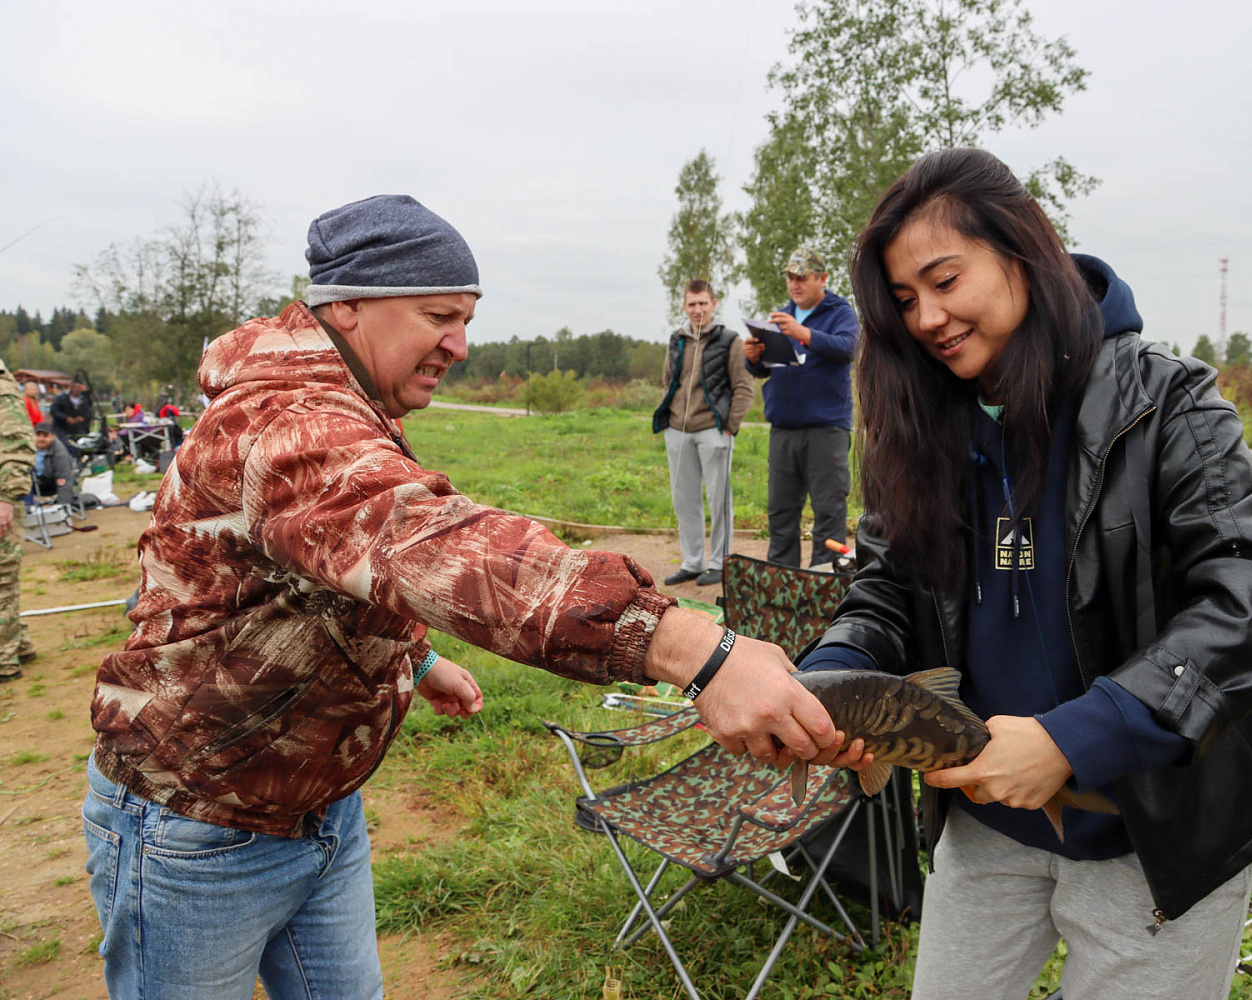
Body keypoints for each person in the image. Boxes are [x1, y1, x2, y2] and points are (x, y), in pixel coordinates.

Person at [82, 195, 849, 999]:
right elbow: (433, 543)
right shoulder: (285, 421)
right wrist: (697, 649)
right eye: (439, 315)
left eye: (467, 317)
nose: (460, 343)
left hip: (320, 810)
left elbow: (339, 562)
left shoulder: (345, 396)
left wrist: (416, 655)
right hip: (196, 823)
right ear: (346, 303)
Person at [795, 149, 1252, 1000]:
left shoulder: (1168, 402)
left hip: (1155, 833)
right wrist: (828, 685)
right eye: (903, 301)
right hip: (982, 821)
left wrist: (1074, 738)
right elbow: (887, 591)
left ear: (1021, 252)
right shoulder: (919, 429)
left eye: (944, 279)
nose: (927, 317)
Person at [743, 247, 859, 567]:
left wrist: (803, 333)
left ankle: (825, 590)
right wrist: (752, 358)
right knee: (780, 514)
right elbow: (765, 368)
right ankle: (782, 589)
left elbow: (848, 348)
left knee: (828, 513)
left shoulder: (840, 312)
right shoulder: (781, 315)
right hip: (783, 430)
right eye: (790, 278)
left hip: (826, 429)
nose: (794, 284)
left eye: (802, 278)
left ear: (823, 278)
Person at [653, 280, 754, 587]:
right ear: (684, 306)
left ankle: (719, 563)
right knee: (684, 499)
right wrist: (670, 419)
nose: (698, 309)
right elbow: (667, 380)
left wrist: (729, 426)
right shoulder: (676, 339)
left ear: (714, 304)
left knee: (719, 499)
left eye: (703, 303)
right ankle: (693, 562)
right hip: (678, 430)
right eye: (692, 304)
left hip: (714, 430)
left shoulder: (731, 340)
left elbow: (744, 388)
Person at [0, 359, 37, 683]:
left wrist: (6, 499)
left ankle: (4, 661)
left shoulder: (2, 388)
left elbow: (17, 444)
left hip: (1, 499)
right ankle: (19, 643)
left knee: (2, 582)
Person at [32, 422, 77, 509]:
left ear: (52, 437)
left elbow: (64, 481)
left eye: (45, 436)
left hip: (52, 483)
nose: (41, 439)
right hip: (33, 483)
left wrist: (63, 508)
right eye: (38, 435)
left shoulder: (60, 453)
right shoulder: (28, 449)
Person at [48, 377, 93, 451]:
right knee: (65, 444)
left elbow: (88, 413)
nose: (77, 389)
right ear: (71, 388)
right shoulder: (61, 398)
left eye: (79, 387)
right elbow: (53, 411)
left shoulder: (84, 400)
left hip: (77, 428)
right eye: (75, 387)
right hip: (61, 427)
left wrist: (82, 418)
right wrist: (65, 418)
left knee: (85, 443)